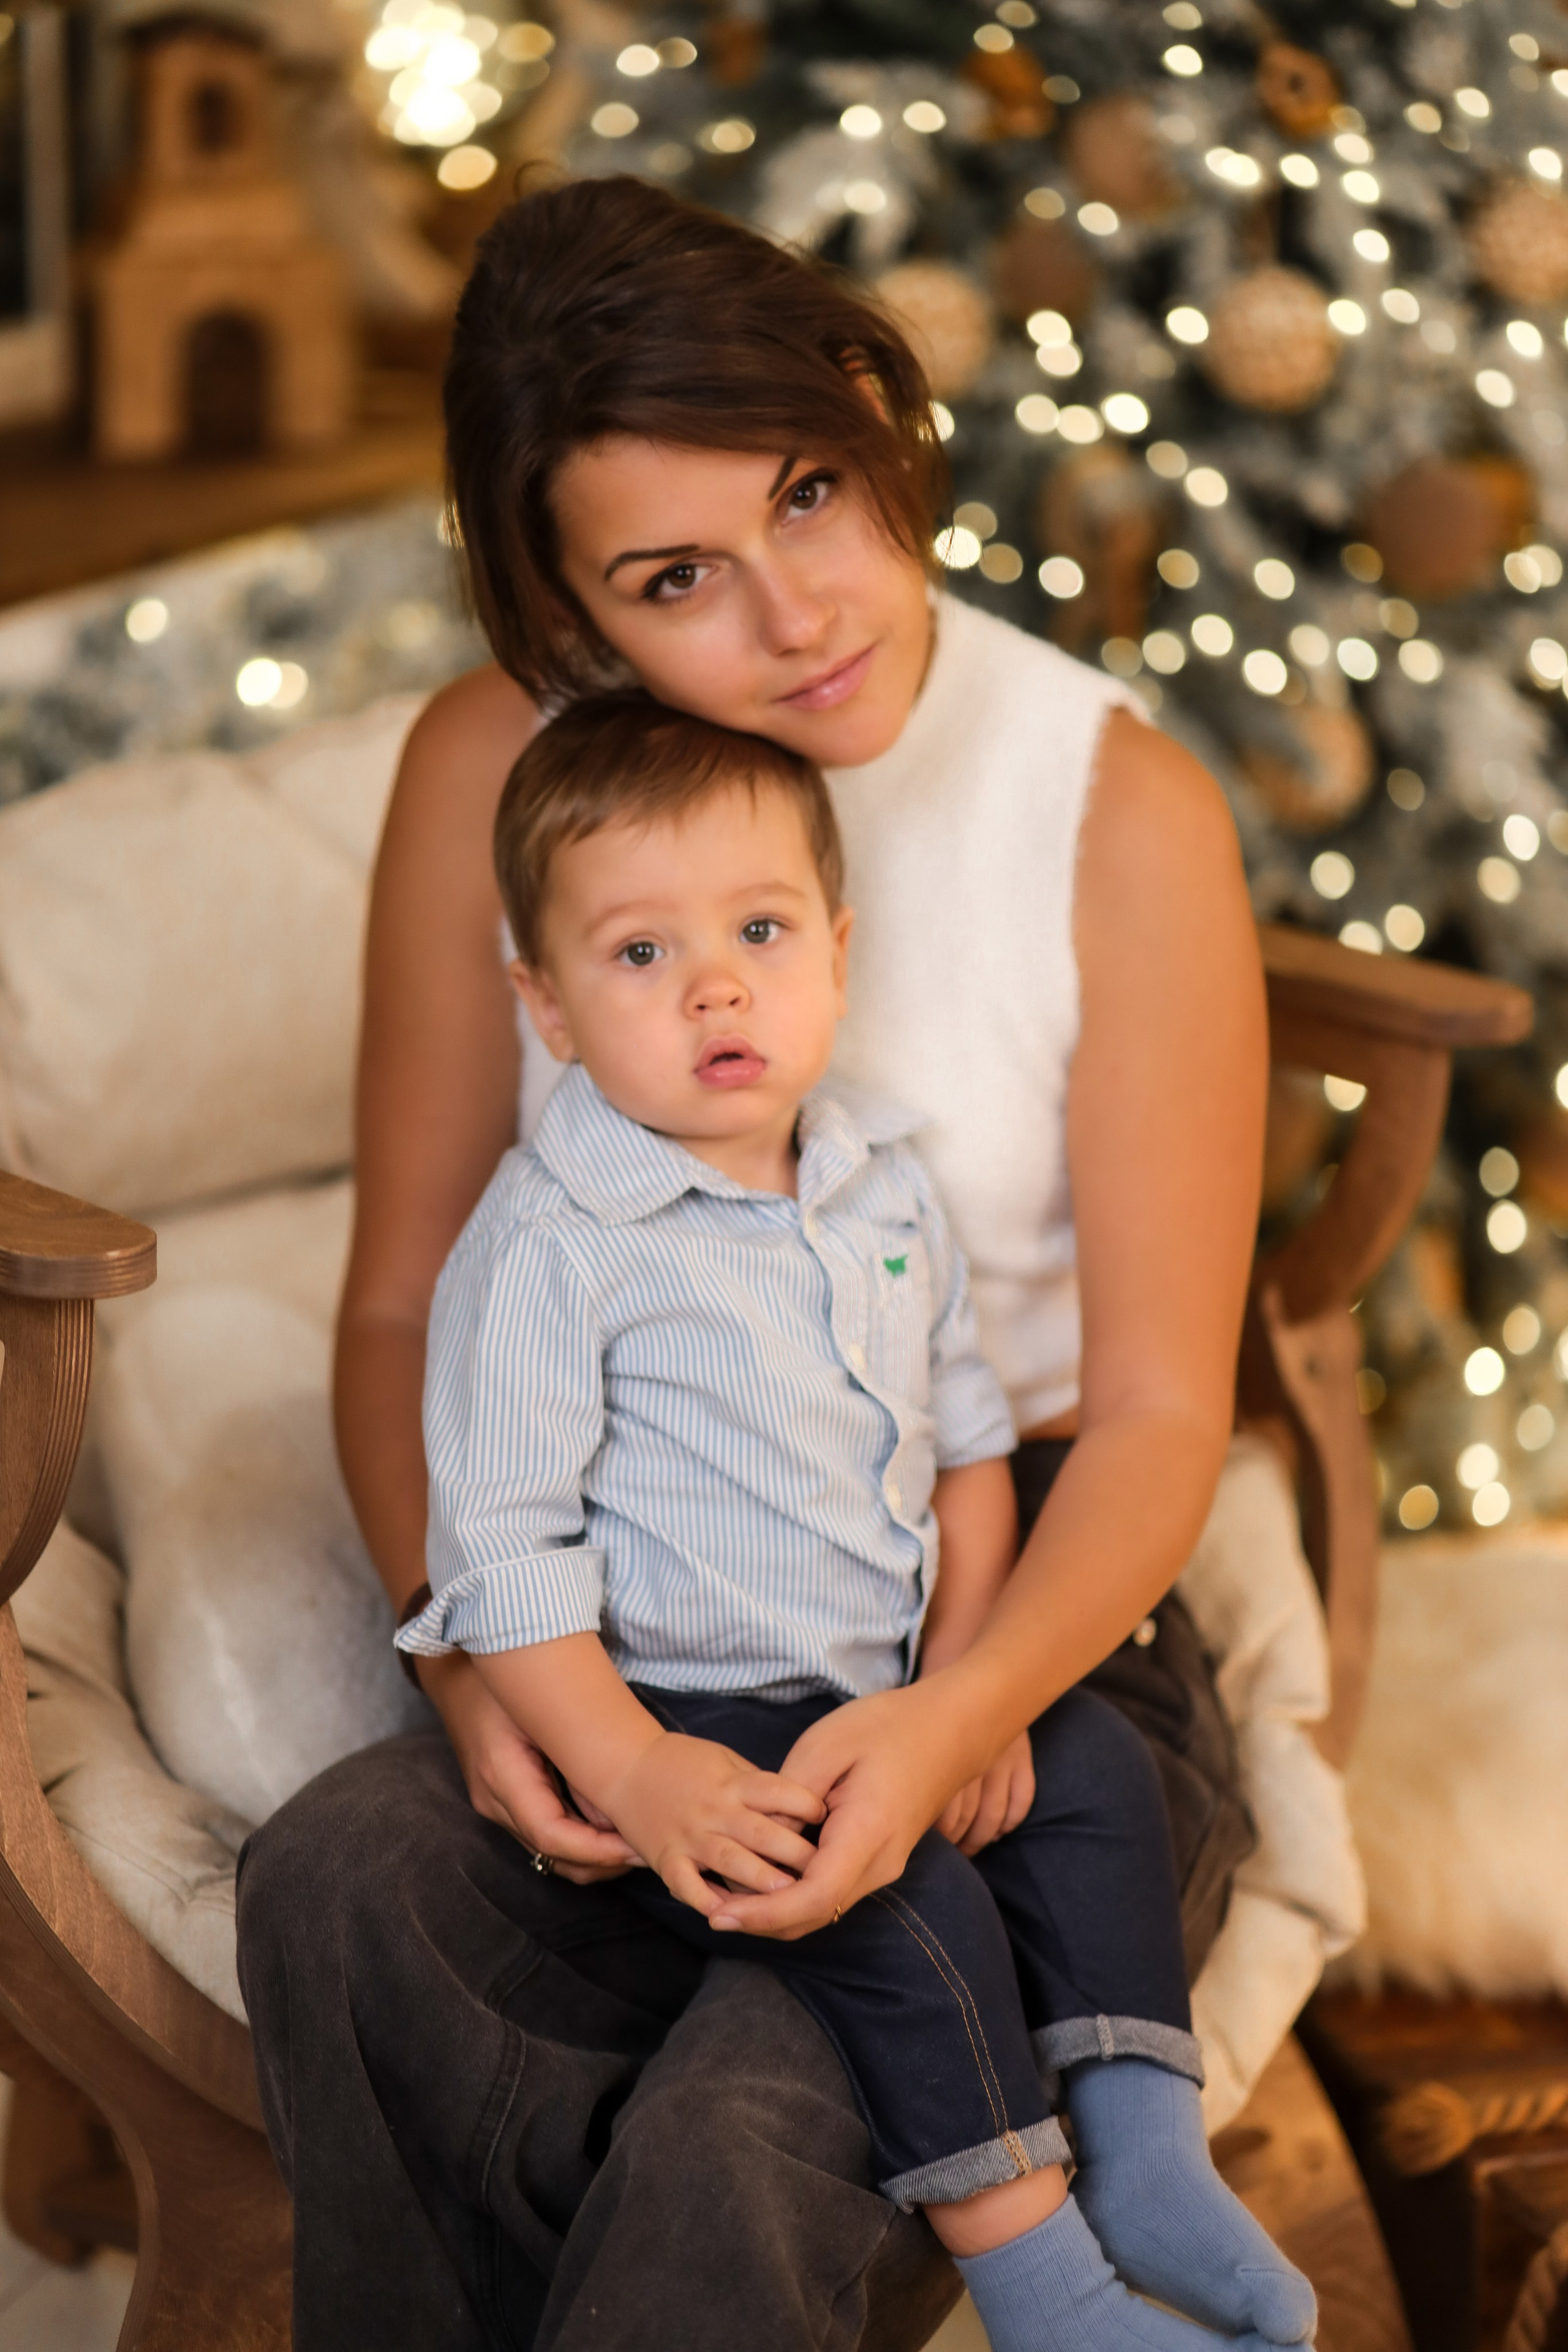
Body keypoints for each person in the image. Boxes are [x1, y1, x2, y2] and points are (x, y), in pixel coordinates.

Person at [235, 174, 1270, 2352]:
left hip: (1011, 1617)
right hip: (629, 1625)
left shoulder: (1119, 810)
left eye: (809, 490)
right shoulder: (494, 770)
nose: (798, 613)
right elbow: (409, 1297)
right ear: (568, 609)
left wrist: (953, 1713)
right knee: (335, 1878)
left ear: (878, 417)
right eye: (674, 578)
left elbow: (1166, 1407)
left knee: (740, 2130)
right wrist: (487, 1683)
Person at [394, 687, 1311, 2352]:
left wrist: (963, 1693)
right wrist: (635, 1770)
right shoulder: (549, 1250)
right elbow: (502, 1562)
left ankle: (1148, 2157)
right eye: (641, 953)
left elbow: (970, 1453)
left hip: (890, 1668)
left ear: (837, 948)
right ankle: (1046, 2285)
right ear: (547, 1006)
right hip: (694, 1703)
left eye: (757, 931)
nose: (716, 985)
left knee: (1097, 1773)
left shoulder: (881, 1187)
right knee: (897, 1902)